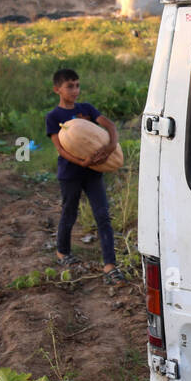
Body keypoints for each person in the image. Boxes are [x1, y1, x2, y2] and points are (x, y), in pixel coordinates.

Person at [44, 68, 125, 284]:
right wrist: (82, 162)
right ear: (57, 89)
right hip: (70, 173)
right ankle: (62, 251)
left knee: (103, 214)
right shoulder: (53, 117)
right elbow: (61, 149)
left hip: (93, 173)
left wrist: (111, 146)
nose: (75, 90)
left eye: (77, 85)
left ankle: (109, 264)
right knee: (69, 212)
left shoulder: (86, 109)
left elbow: (110, 126)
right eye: (70, 86)